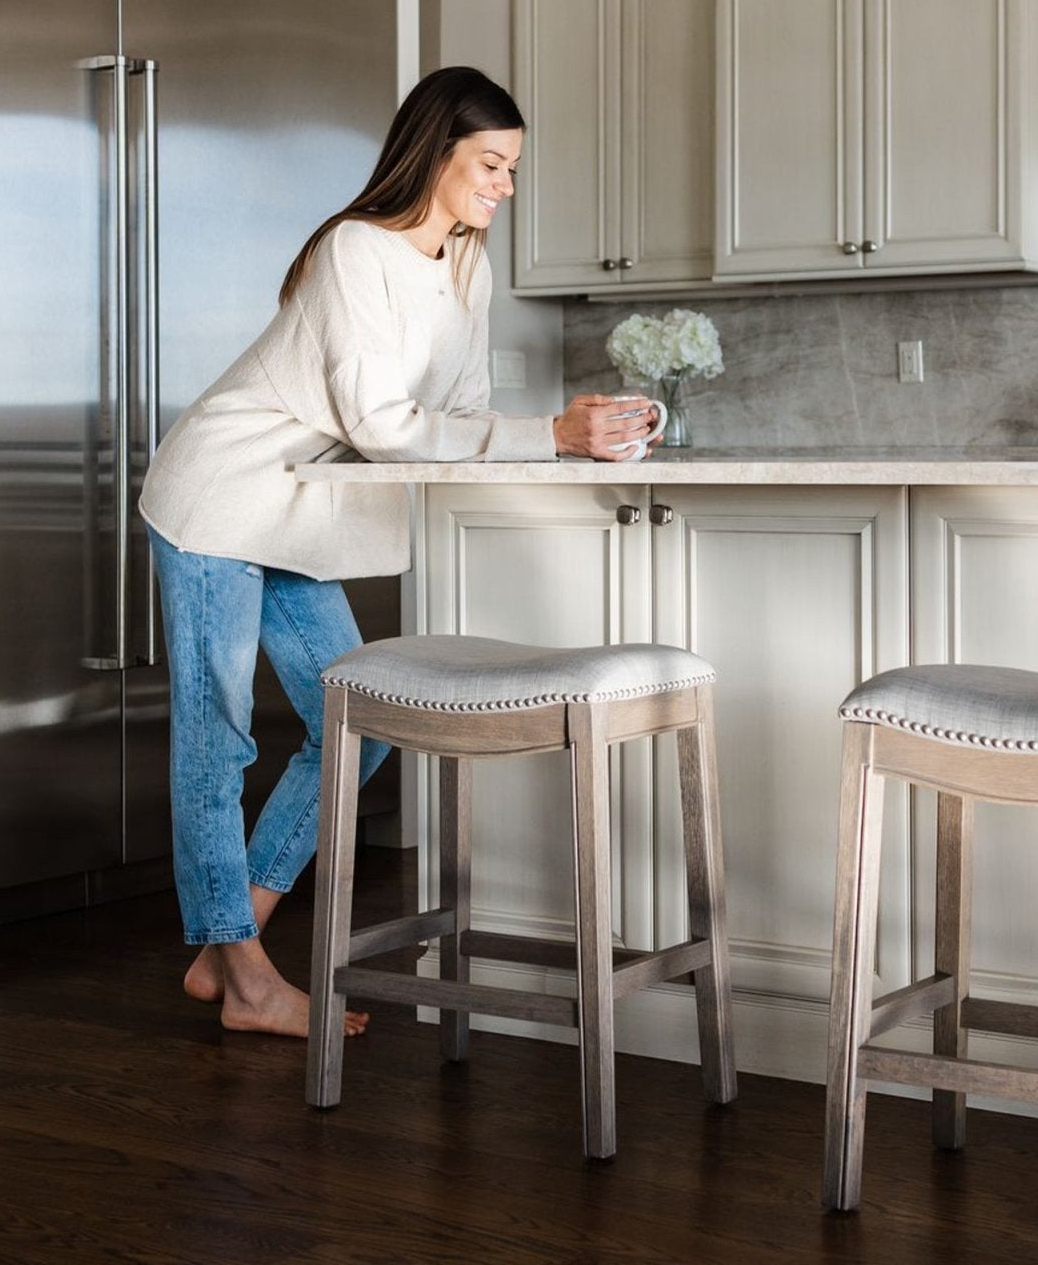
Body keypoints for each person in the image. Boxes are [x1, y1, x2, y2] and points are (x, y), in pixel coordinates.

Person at [138, 65, 661, 1039]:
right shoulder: (354, 251)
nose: (505, 185)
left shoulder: (468, 264)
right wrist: (549, 432)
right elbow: (384, 423)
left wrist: (580, 435)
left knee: (361, 723)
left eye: (511, 167)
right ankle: (248, 981)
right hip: (220, 498)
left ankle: (227, 943)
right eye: (491, 163)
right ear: (435, 155)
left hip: (303, 516)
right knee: (219, 739)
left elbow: (455, 415)